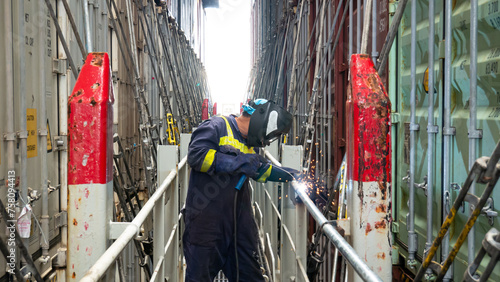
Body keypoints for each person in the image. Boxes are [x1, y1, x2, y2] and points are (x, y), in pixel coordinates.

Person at [183, 99, 297, 281]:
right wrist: (238, 162)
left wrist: (293, 176)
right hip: (206, 223)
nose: (267, 140)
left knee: (250, 276)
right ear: (259, 119)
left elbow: (260, 170)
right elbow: (197, 156)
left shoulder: (250, 145)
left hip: (239, 223)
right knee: (199, 277)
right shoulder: (216, 126)